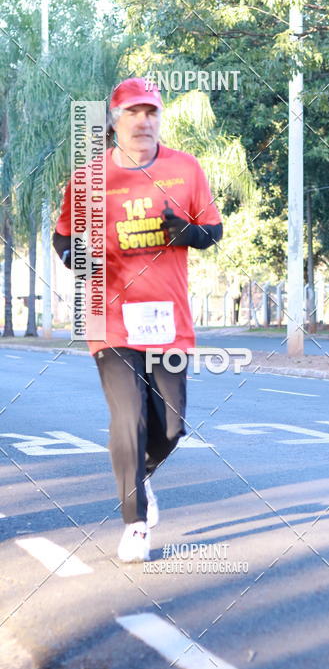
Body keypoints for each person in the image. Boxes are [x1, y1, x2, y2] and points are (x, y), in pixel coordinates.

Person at [53, 77, 223, 562]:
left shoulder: (184, 168)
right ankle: (134, 522)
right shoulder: (88, 179)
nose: (143, 121)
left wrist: (189, 232)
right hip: (110, 318)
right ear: (114, 121)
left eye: (151, 112)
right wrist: (73, 255)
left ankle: (140, 477)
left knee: (169, 428)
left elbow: (213, 230)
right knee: (128, 419)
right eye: (132, 112)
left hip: (168, 320)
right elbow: (63, 236)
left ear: (160, 118)